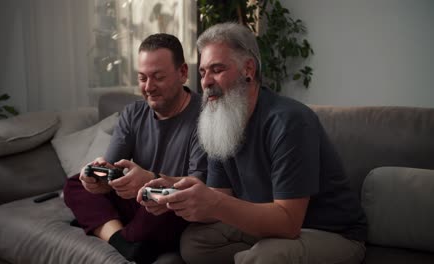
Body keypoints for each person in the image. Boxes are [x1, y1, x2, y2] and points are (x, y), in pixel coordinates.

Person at [141, 23, 367, 264]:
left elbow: (288, 223)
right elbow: (220, 195)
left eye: (217, 69)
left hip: (327, 232)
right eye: (203, 72)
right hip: (267, 224)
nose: (206, 82)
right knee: (194, 243)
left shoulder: (290, 121)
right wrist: (178, 194)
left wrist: (213, 202)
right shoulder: (221, 118)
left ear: (248, 68)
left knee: (266, 257)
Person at [63, 33, 207, 263]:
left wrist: (149, 179)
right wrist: (99, 178)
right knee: (76, 183)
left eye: (158, 77)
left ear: (182, 73)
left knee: (163, 201)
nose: (148, 87)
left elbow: (198, 187)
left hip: (169, 202)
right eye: (142, 78)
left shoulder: (205, 118)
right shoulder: (133, 113)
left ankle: (106, 225)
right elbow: (111, 173)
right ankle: (122, 241)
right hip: (136, 200)